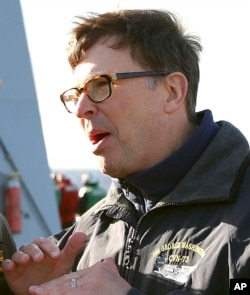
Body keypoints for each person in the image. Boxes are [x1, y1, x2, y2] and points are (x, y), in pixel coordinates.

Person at [2, 8, 250, 295]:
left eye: (101, 85)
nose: (82, 109)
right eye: (77, 94)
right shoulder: (90, 230)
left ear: (171, 91)